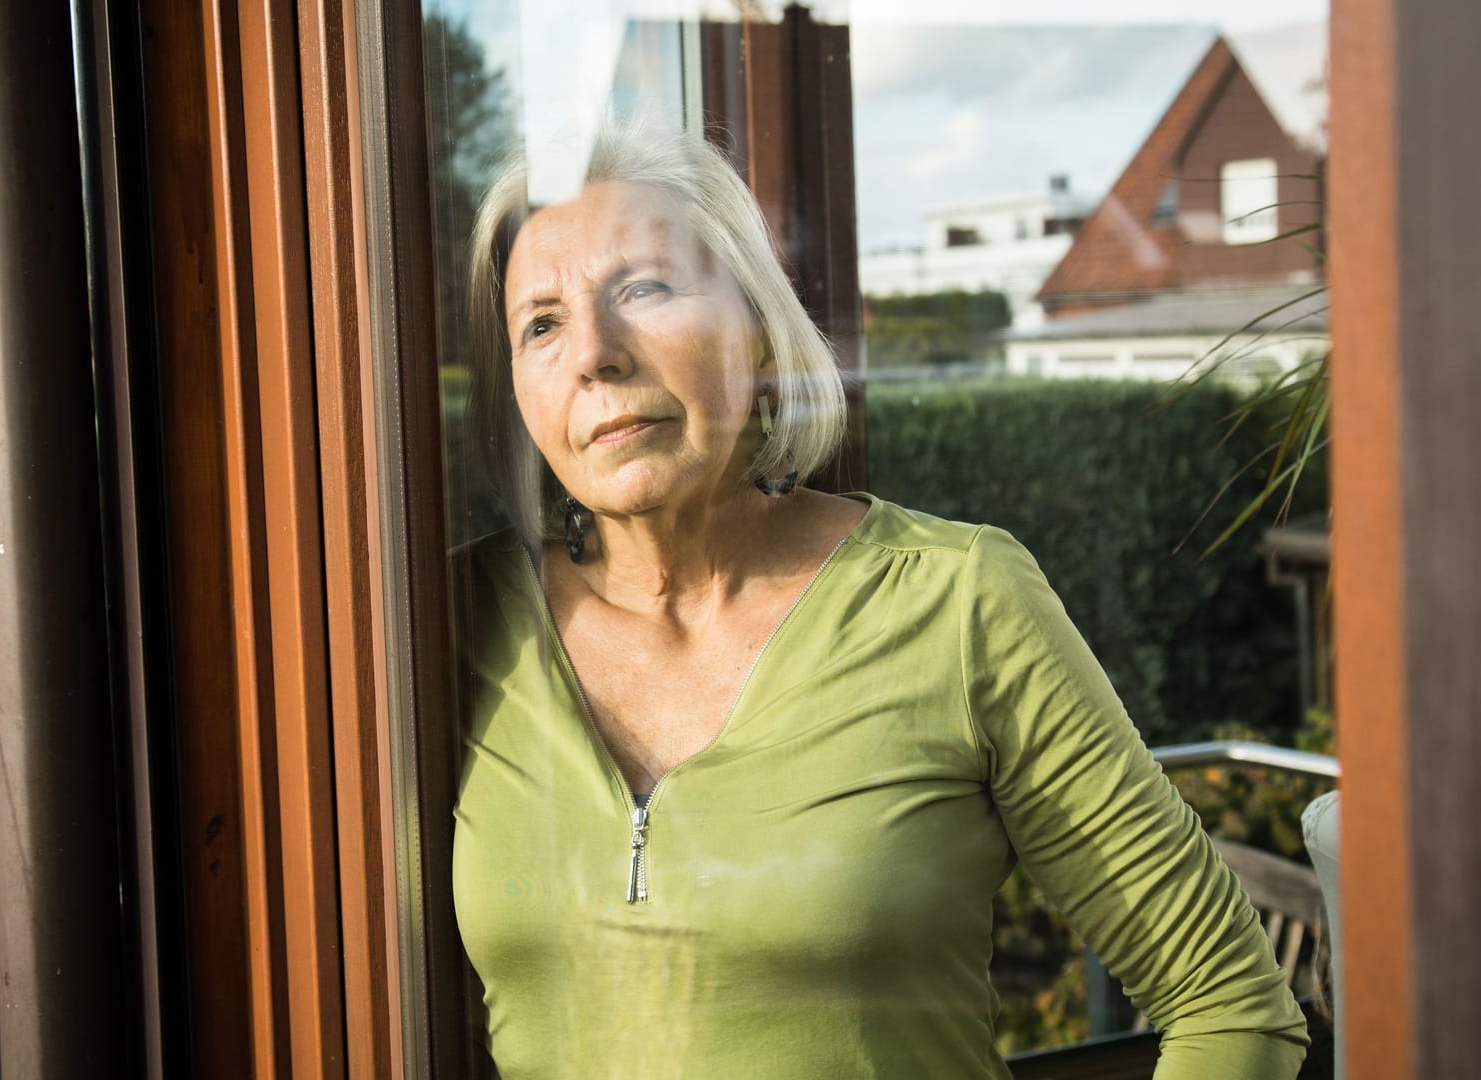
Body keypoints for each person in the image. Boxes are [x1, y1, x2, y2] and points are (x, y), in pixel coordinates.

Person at [450, 122, 1308, 1079]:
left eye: (644, 289)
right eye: (542, 323)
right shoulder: (454, 622)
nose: (595, 354)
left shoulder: (957, 600)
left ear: (760, 333)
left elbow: (1232, 1006)